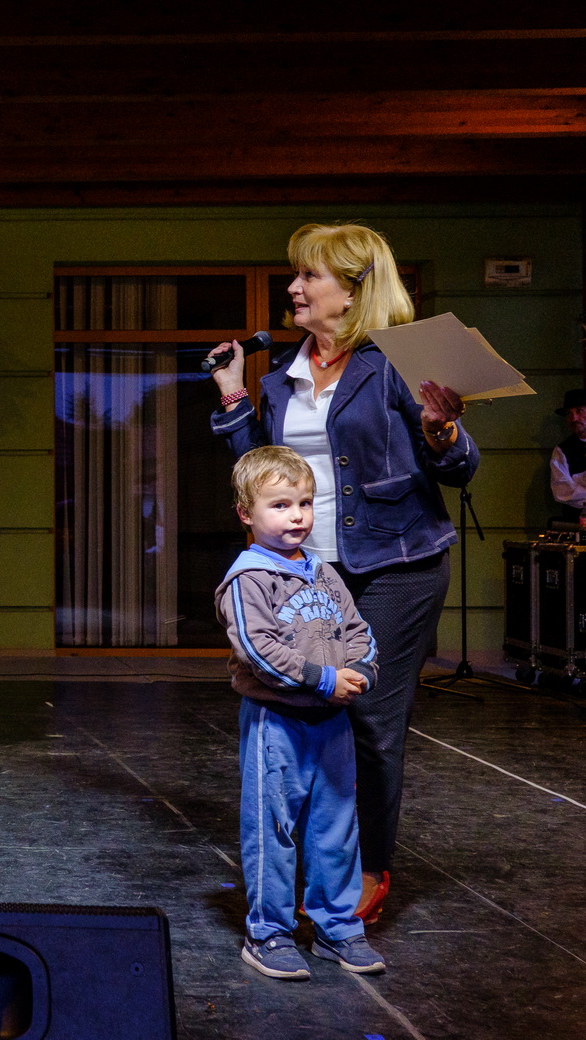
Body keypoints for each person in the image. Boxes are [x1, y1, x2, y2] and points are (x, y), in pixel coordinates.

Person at [208, 222, 478, 925]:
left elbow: (459, 466)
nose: (294, 287)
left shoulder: (393, 365)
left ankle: (369, 866)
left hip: (397, 566)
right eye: (296, 274)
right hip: (311, 575)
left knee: (368, 715)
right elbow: (263, 472)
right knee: (307, 710)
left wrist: (443, 429)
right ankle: (325, 860)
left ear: (355, 290)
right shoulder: (285, 375)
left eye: (310, 276)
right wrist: (235, 398)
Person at [217, 445, 386, 979]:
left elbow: (357, 630)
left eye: (305, 503)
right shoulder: (248, 579)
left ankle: (337, 929)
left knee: (337, 829)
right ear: (246, 513)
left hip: (331, 724)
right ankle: (268, 933)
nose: (296, 516)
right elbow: (258, 649)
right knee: (273, 830)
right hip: (278, 723)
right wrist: (325, 679)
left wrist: (361, 670)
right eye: (281, 505)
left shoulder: (324, 573)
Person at [549, 387, 586, 524]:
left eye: (579, 411)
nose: (574, 418)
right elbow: (563, 491)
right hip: (576, 523)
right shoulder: (562, 450)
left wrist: (577, 481)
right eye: (569, 413)